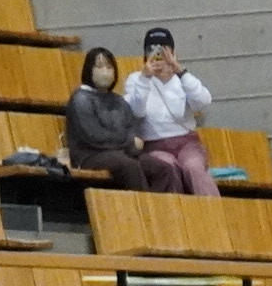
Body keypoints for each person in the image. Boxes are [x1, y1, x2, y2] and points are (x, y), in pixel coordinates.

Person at [65, 45, 180, 194]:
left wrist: (132, 143)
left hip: (122, 152)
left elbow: (132, 128)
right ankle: (143, 206)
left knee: (163, 169)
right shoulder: (81, 99)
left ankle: (157, 205)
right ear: (89, 70)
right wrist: (129, 142)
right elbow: (95, 137)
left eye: (109, 67)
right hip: (90, 155)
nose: (105, 71)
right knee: (130, 166)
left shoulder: (118, 100)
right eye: (99, 67)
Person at [122, 28, 214, 197]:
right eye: (153, 50)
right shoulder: (136, 79)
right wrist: (146, 78)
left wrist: (180, 71)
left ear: (173, 52)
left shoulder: (183, 79)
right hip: (154, 145)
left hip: (187, 142)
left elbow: (203, 101)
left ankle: (213, 209)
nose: (160, 55)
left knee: (193, 167)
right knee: (167, 167)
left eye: (164, 50)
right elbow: (137, 111)